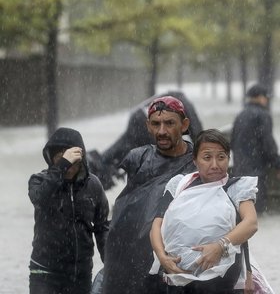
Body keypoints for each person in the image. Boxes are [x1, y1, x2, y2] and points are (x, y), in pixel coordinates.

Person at [102, 96, 197, 294]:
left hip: (178, 261)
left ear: (184, 125)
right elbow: (129, 211)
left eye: (169, 123)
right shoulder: (137, 159)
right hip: (133, 259)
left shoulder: (200, 163)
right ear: (147, 126)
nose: (161, 131)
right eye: (156, 124)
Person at [150, 129, 258, 293]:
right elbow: (157, 225)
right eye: (207, 157)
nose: (215, 165)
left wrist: (219, 246)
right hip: (177, 280)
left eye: (221, 157)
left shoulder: (236, 188)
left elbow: (251, 223)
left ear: (228, 159)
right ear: (195, 160)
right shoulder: (179, 185)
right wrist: (162, 257)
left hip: (221, 282)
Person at [28, 127, 109, 294]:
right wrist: (62, 166)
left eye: (73, 159)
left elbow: (102, 228)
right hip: (44, 272)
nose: (69, 165)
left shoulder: (93, 185)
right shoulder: (39, 180)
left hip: (80, 274)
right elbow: (40, 199)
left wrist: (111, 264)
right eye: (61, 159)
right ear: (52, 160)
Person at [231, 84, 280, 214]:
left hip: (240, 168)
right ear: (260, 98)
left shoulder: (240, 115)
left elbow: (233, 141)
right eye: (266, 97)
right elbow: (268, 142)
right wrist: (278, 164)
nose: (267, 100)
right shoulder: (263, 115)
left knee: (243, 208)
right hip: (256, 170)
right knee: (257, 210)